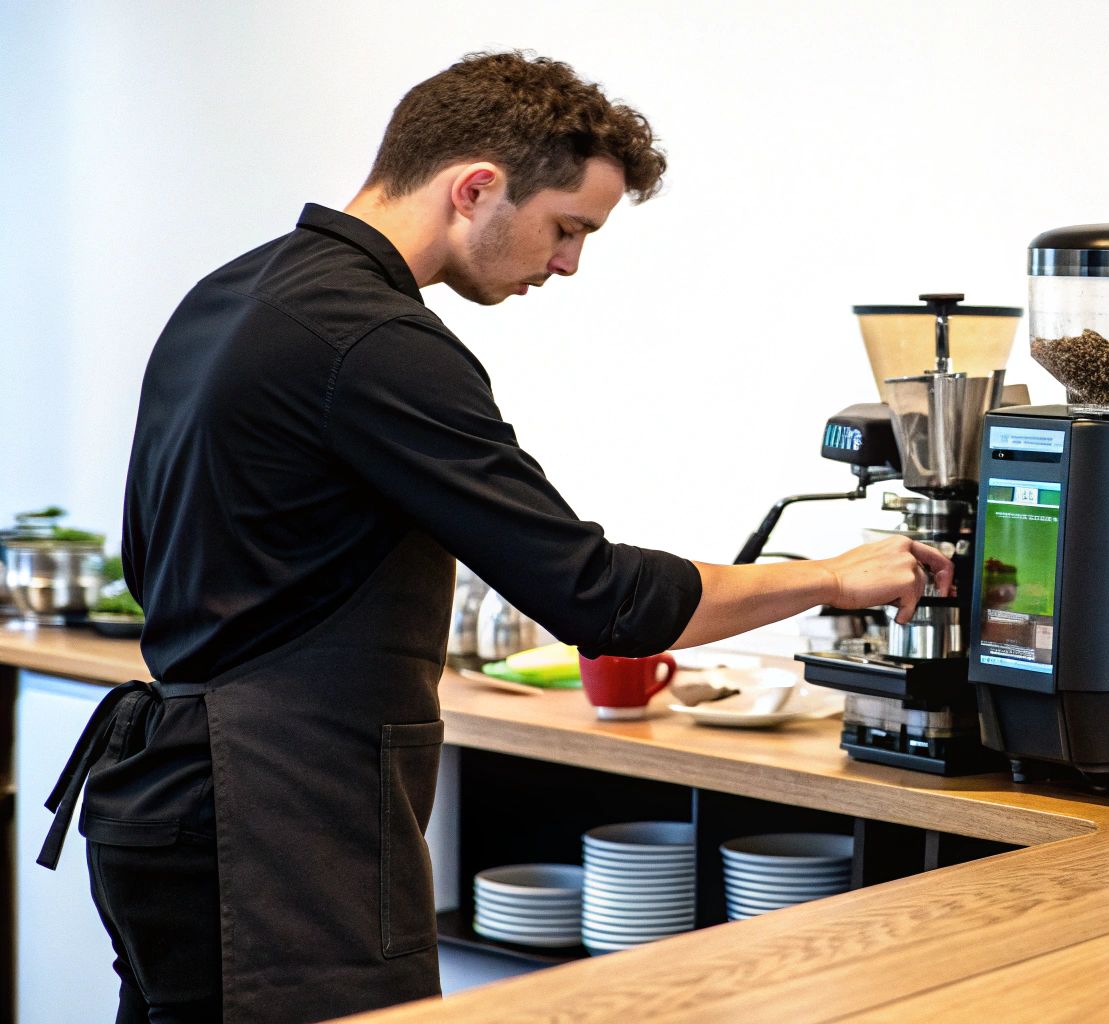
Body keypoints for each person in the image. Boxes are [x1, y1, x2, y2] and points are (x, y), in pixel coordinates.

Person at [38, 50, 951, 1024]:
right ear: (475, 188)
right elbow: (598, 600)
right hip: (275, 830)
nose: (566, 264)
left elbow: (151, 559)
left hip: (170, 803)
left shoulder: (230, 296)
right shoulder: (375, 343)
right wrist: (828, 578)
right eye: (567, 228)